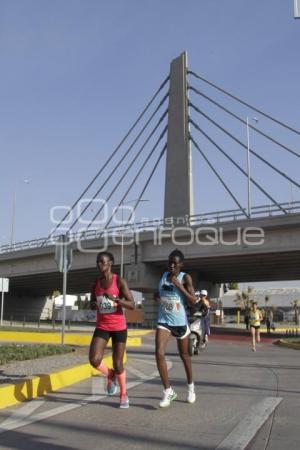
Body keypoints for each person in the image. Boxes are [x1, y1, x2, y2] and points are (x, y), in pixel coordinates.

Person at [89, 251, 135, 408]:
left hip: (118, 327)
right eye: (98, 262)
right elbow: (92, 303)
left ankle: (123, 394)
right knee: (94, 359)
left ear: (110, 263)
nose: (100, 265)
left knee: (118, 363)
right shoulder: (95, 283)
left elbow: (132, 304)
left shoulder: (119, 281)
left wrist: (118, 300)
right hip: (102, 326)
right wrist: (94, 305)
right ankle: (109, 374)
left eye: (103, 262)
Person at [155, 249, 197, 408]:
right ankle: (168, 391)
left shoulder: (185, 277)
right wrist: (157, 298)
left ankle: (191, 387)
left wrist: (178, 284)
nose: (171, 265)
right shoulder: (163, 276)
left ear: (181, 264)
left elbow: (193, 300)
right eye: (169, 262)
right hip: (163, 320)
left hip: (180, 323)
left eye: (175, 263)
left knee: (185, 356)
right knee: (159, 353)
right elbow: (158, 293)